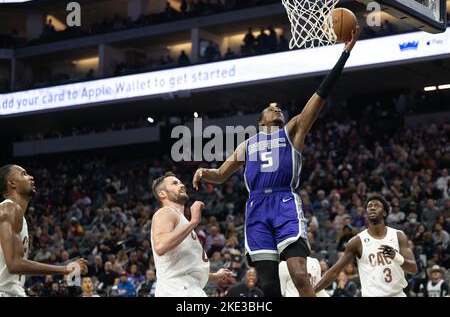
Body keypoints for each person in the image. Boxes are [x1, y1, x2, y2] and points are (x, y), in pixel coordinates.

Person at [193, 28, 360, 297]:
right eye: (271, 108)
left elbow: (319, 97)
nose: (277, 108)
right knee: (268, 285)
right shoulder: (247, 144)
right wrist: (204, 171)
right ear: (260, 122)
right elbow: (221, 174)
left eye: (278, 107)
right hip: (257, 207)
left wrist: (344, 54)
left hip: (284, 204)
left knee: (300, 276)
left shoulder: (292, 131)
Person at [0, 164, 87, 297]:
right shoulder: (10, 209)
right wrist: (65, 269)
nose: (31, 177)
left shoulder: (15, 214)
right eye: (24, 174)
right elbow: (14, 264)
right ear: (12, 183)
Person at [314, 195, 418, 297]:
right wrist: (310, 291)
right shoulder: (357, 241)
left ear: (385, 213)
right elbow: (334, 271)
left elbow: (413, 269)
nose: (372, 208)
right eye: (369, 206)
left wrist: (396, 257)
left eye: (377, 205)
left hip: (397, 294)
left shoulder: (398, 236)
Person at [151, 173, 232, 297]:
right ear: (162, 193)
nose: (181, 185)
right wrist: (194, 222)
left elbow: (187, 267)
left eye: (180, 182)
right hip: (177, 289)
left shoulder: (181, 222)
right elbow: (160, 246)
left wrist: (214, 276)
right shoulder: (166, 212)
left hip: (186, 287)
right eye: (175, 183)